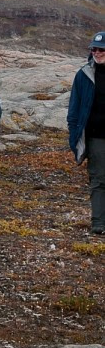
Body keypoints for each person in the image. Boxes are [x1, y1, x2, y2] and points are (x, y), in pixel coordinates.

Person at [67, 31, 105, 234]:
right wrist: (74, 136)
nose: (97, 53)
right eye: (94, 49)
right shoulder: (83, 75)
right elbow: (73, 109)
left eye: (101, 49)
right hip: (96, 136)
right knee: (98, 179)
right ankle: (98, 222)